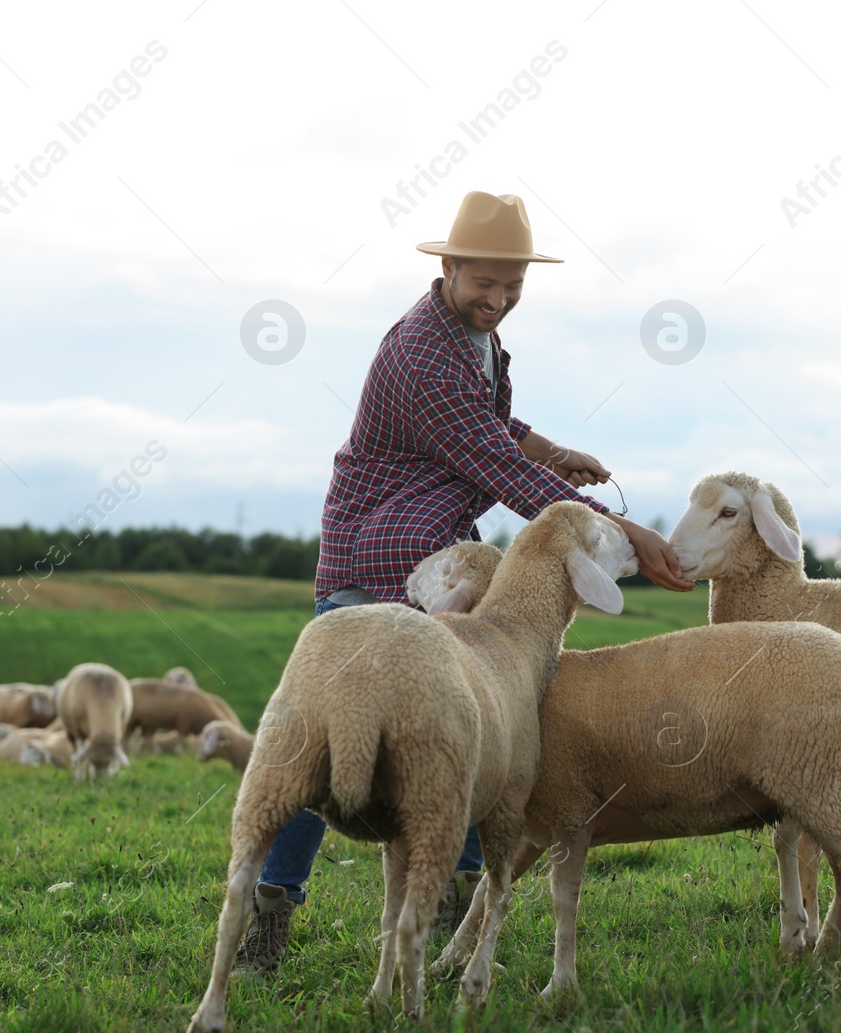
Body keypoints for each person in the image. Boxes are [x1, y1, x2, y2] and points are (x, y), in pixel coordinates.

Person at [235, 190, 694, 975]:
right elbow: (498, 466)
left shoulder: (473, 339)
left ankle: (453, 897)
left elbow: (500, 433)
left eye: (513, 286)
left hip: (437, 560)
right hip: (377, 563)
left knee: (459, 728)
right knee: (316, 749)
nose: (499, 300)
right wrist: (628, 534)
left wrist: (555, 452)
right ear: (447, 267)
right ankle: (268, 919)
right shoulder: (424, 354)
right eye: (485, 283)